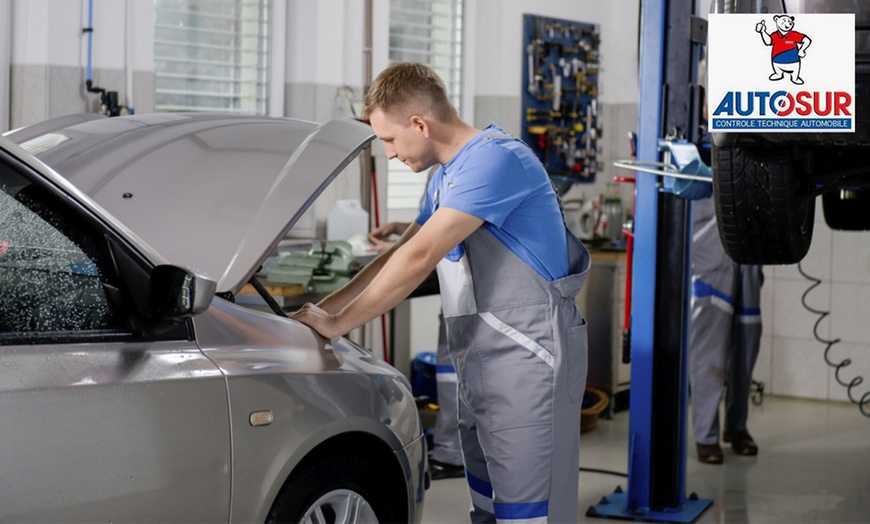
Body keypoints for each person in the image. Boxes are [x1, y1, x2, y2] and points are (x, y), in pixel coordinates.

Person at [292, 61, 591, 523]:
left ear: (419, 124)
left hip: (530, 367)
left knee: (530, 515)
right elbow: (397, 252)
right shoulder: (443, 177)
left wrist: (337, 326)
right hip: (482, 366)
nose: (389, 154)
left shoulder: (496, 160)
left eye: (390, 140)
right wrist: (320, 311)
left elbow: (419, 258)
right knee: (488, 507)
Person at [368, 221, 465, 480]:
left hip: (472, 296)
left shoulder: (470, 180)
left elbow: (450, 233)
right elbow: (433, 222)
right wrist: (401, 231)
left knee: (456, 377)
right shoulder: (439, 179)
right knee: (449, 374)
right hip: (458, 298)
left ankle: (454, 452)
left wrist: (403, 250)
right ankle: (452, 447)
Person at [689, 195, 762, 464]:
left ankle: (737, 426)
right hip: (709, 222)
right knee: (711, 337)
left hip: (751, 223)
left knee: (748, 334)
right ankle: (706, 435)